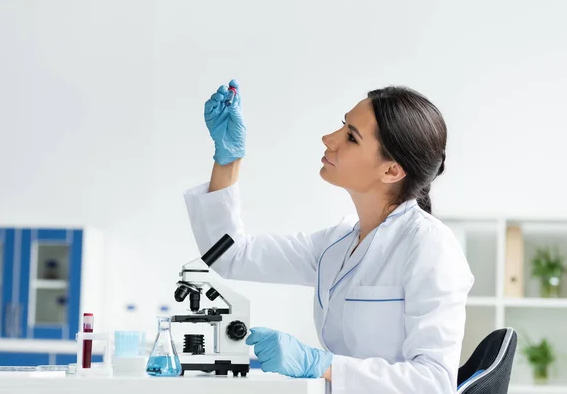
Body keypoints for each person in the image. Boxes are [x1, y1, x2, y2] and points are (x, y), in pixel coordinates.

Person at [183, 79, 474, 393]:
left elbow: (434, 384)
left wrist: (323, 364)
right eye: (342, 125)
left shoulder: (430, 247)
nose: (328, 139)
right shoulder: (339, 244)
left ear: (391, 171)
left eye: (351, 137)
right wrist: (227, 161)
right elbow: (229, 256)